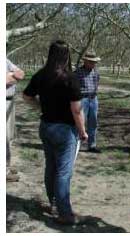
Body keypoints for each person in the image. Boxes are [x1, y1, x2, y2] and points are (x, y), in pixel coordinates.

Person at [23, 40, 88, 225]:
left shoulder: (40, 75)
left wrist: (41, 107)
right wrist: (83, 132)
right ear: (67, 55)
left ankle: (53, 205)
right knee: (63, 172)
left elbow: (26, 96)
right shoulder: (70, 78)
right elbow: (76, 110)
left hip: (46, 127)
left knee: (51, 167)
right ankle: (65, 214)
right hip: (65, 131)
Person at [74, 51, 102, 153]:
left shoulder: (96, 72)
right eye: (91, 62)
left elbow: (97, 83)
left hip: (93, 99)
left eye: (94, 62)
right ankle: (75, 144)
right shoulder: (77, 73)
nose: (94, 64)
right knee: (80, 122)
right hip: (82, 100)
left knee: (93, 122)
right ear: (85, 61)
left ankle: (92, 145)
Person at [6, 58, 25, 182]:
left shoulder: (4, 60)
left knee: (8, 136)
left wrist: (10, 76)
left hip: (9, 101)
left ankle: (6, 165)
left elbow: (21, 74)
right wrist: (12, 77)